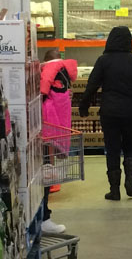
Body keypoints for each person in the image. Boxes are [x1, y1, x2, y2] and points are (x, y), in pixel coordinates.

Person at [79, 26, 132, 201]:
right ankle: (130, 179)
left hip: (110, 112)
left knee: (112, 149)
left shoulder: (104, 61)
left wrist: (84, 107)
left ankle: (115, 190)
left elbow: (91, 86)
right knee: (130, 146)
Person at [39, 49, 78, 234]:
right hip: (55, 129)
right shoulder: (63, 71)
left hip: (47, 127)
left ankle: (43, 217)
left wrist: (43, 94)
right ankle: (43, 217)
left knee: (45, 168)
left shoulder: (50, 69)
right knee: (46, 168)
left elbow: (44, 86)